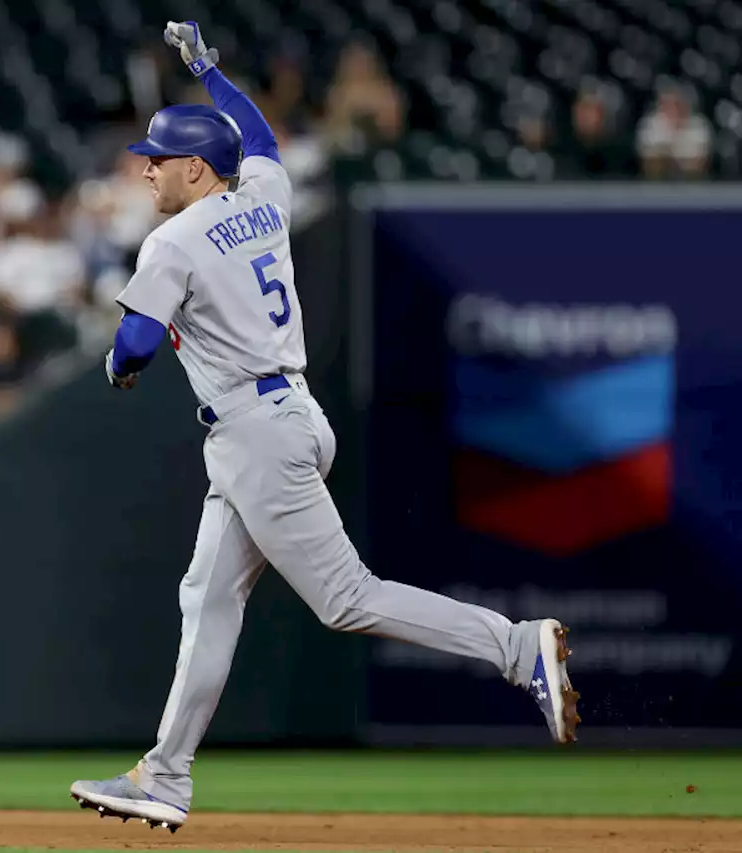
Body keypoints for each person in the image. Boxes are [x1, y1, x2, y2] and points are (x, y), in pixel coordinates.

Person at [68, 23, 580, 833]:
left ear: (195, 168)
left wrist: (120, 367)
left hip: (255, 430)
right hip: (288, 414)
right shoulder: (263, 198)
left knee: (346, 598)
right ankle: (165, 773)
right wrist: (209, 70)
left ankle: (516, 647)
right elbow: (262, 137)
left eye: (158, 158)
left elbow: (131, 346)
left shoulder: (172, 239)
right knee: (206, 597)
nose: (146, 168)